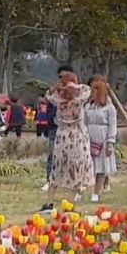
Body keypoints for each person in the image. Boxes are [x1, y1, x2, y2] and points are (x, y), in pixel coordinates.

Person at [38, 72, 94, 213]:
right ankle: (69, 203)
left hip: (63, 136)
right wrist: (72, 86)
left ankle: (50, 202)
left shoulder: (58, 99)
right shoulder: (79, 99)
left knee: (58, 168)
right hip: (77, 136)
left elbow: (48, 94)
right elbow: (87, 89)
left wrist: (59, 88)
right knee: (74, 168)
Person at [85, 76, 118, 203]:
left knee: (101, 167)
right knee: (89, 165)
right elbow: (84, 122)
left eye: (94, 91)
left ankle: (96, 192)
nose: (91, 94)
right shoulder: (88, 107)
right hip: (89, 138)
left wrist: (110, 142)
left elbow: (112, 125)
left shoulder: (109, 108)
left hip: (102, 139)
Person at [41, 65, 73, 192]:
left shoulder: (76, 92)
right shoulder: (55, 91)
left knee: (70, 156)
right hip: (55, 128)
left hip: (70, 129)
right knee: (52, 155)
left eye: (66, 76)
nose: (63, 79)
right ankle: (50, 180)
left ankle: (70, 181)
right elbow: (48, 102)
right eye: (61, 76)